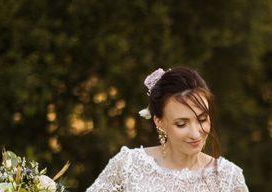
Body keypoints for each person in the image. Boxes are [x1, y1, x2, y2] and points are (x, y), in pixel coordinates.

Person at [86, 66, 249, 192]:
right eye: (181, 124)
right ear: (159, 122)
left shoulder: (229, 178)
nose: (195, 133)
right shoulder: (127, 166)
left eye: (202, 119)